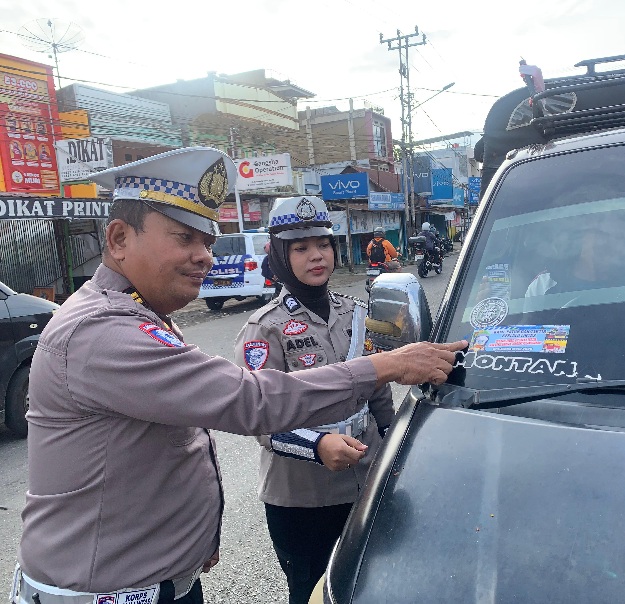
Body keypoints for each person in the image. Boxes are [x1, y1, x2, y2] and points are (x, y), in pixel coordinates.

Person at [10, 148, 465, 604]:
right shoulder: (101, 332)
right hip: (108, 590)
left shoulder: (140, 313)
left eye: (207, 242)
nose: (204, 257)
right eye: (185, 238)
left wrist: (191, 541)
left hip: (154, 577)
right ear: (118, 238)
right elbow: (253, 401)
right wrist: (387, 364)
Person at [235, 197, 392, 604]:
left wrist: (394, 438)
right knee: (312, 593)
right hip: (303, 498)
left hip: (366, 481)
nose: (316, 256)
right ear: (279, 255)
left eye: (322, 244)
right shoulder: (264, 328)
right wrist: (318, 446)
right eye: (300, 248)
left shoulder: (356, 312)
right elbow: (259, 419)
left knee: (369, 585)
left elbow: (377, 383)